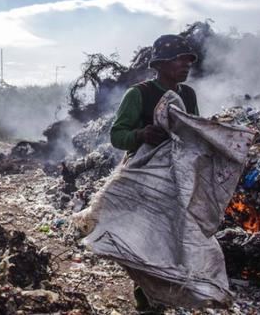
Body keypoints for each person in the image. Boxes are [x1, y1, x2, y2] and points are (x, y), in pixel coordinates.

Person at [109, 34, 199, 313]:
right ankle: (147, 304)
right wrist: (141, 134)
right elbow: (116, 135)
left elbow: (194, 130)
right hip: (144, 181)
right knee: (147, 245)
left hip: (178, 179)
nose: (186, 65)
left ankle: (166, 299)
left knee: (173, 243)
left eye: (188, 60)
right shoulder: (140, 94)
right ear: (160, 64)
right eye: (179, 59)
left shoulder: (188, 95)